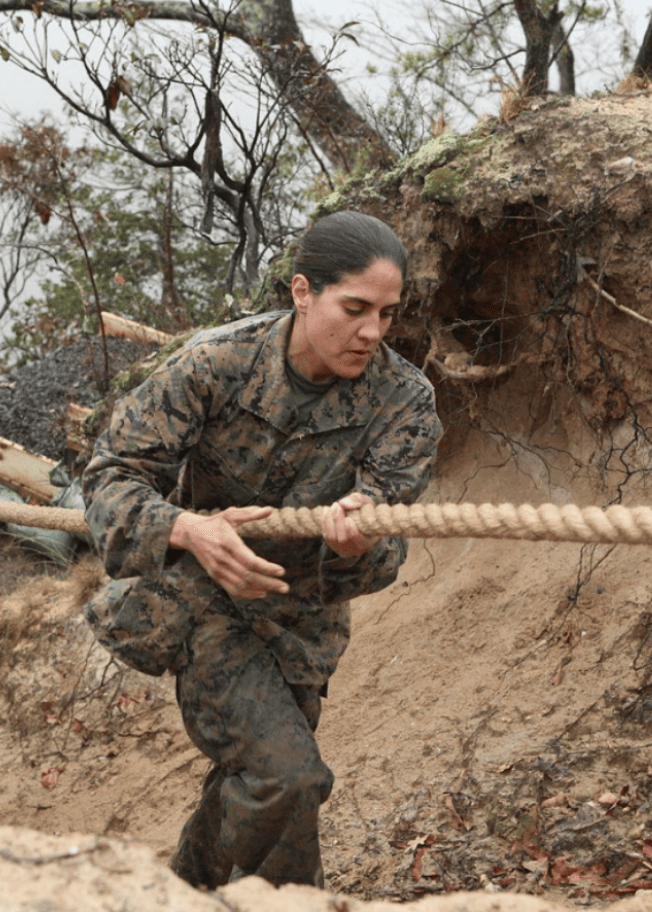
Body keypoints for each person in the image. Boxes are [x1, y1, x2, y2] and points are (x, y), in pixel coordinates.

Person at [81, 211, 444, 889]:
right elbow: (110, 477)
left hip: (301, 630)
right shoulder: (218, 363)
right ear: (303, 291)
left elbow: (384, 558)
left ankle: (181, 894)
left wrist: (355, 540)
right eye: (355, 308)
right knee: (290, 777)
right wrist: (190, 529)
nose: (372, 332)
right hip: (202, 604)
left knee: (256, 783)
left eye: (388, 314)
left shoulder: (404, 403)